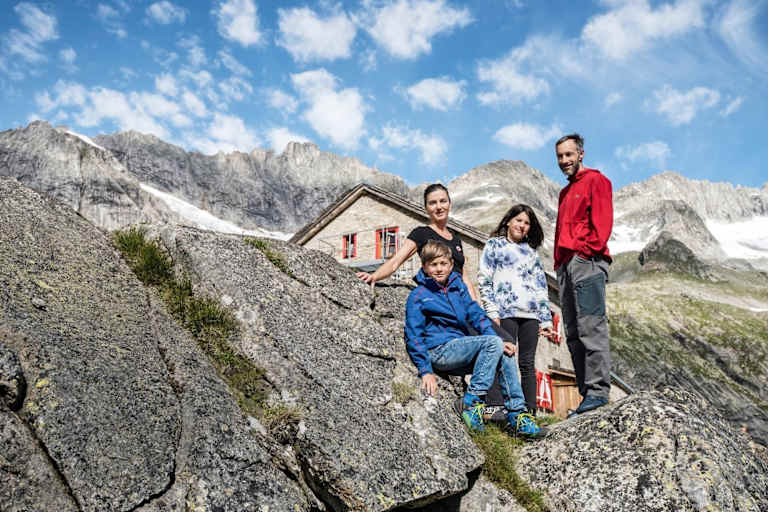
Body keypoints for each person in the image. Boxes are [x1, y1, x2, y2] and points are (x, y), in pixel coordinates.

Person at [404, 240, 545, 438]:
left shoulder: (458, 288)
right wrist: (425, 371)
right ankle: (471, 402)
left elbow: (477, 315)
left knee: (503, 352)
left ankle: (517, 415)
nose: (439, 269)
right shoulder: (419, 295)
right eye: (433, 265)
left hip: (459, 351)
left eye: (443, 264)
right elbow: (413, 335)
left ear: (451, 265)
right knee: (492, 343)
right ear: (425, 267)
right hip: (438, 351)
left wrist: (498, 339)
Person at [553, 133, 613, 417]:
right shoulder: (564, 192)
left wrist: (585, 254)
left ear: (581, 154)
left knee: (592, 326)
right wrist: (560, 264)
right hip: (565, 266)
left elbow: (602, 227)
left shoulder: (597, 181)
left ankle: (599, 391)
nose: (564, 161)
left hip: (586, 262)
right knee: (573, 333)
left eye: (569, 155)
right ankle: (587, 394)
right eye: (560, 157)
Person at [477, 204, 553, 414]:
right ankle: (498, 407)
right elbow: (484, 279)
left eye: (527, 223)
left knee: (527, 363)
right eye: (519, 220)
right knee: (503, 357)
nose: (522, 226)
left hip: (530, 315)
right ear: (508, 221)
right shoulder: (494, 245)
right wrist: (492, 312)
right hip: (504, 312)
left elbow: (540, 286)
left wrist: (545, 319)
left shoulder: (531, 252)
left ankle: (529, 412)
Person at [356, 183, 479, 300]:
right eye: (432, 203)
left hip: (462, 299)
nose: (439, 207)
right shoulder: (421, 233)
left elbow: (465, 277)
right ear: (426, 208)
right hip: (441, 298)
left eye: (443, 201)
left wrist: (476, 306)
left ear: (449, 204)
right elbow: (396, 261)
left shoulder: (456, 238)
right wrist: (374, 276)